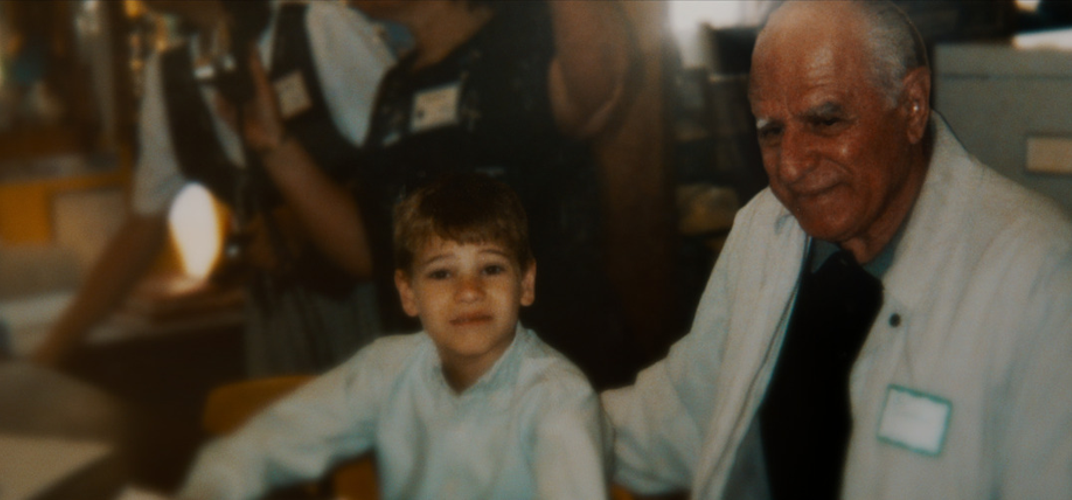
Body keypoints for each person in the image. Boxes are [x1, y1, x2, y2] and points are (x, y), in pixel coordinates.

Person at [601, 1, 1072, 499]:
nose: (791, 165)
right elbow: (689, 413)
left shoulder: (1057, 286)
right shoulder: (765, 230)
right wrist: (549, 417)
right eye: (771, 130)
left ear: (912, 106)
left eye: (825, 120)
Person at [237, 0, 642, 388]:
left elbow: (598, 85)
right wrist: (275, 147)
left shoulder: (526, 45)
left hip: (550, 386)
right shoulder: (397, 87)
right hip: (442, 398)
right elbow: (372, 252)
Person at [176, 173, 609, 500]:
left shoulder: (557, 400)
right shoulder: (387, 369)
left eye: (491, 268)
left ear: (526, 283)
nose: (469, 291)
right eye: (442, 273)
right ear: (408, 293)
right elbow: (261, 445)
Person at [32, 0, 395, 375]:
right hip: (277, 318)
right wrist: (50, 352)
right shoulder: (169, 77)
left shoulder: (319, 27)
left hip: (376, 306)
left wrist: (299, 224)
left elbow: (411, 171)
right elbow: (142, 227)